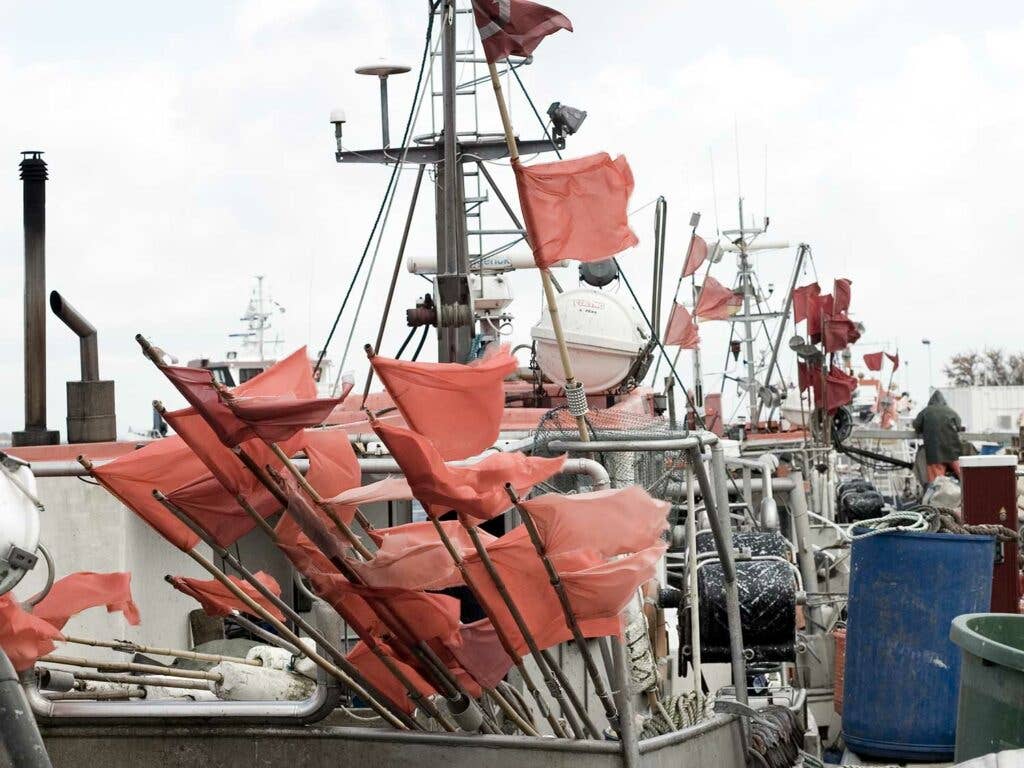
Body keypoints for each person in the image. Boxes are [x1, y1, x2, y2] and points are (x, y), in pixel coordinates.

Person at [913, 391, 963, 482]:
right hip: (953, 450)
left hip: (934, 452)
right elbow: (959, 425)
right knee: (964, 476)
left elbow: (916, 425)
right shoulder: (950, 410)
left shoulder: (925, 411)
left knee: (937, 483)